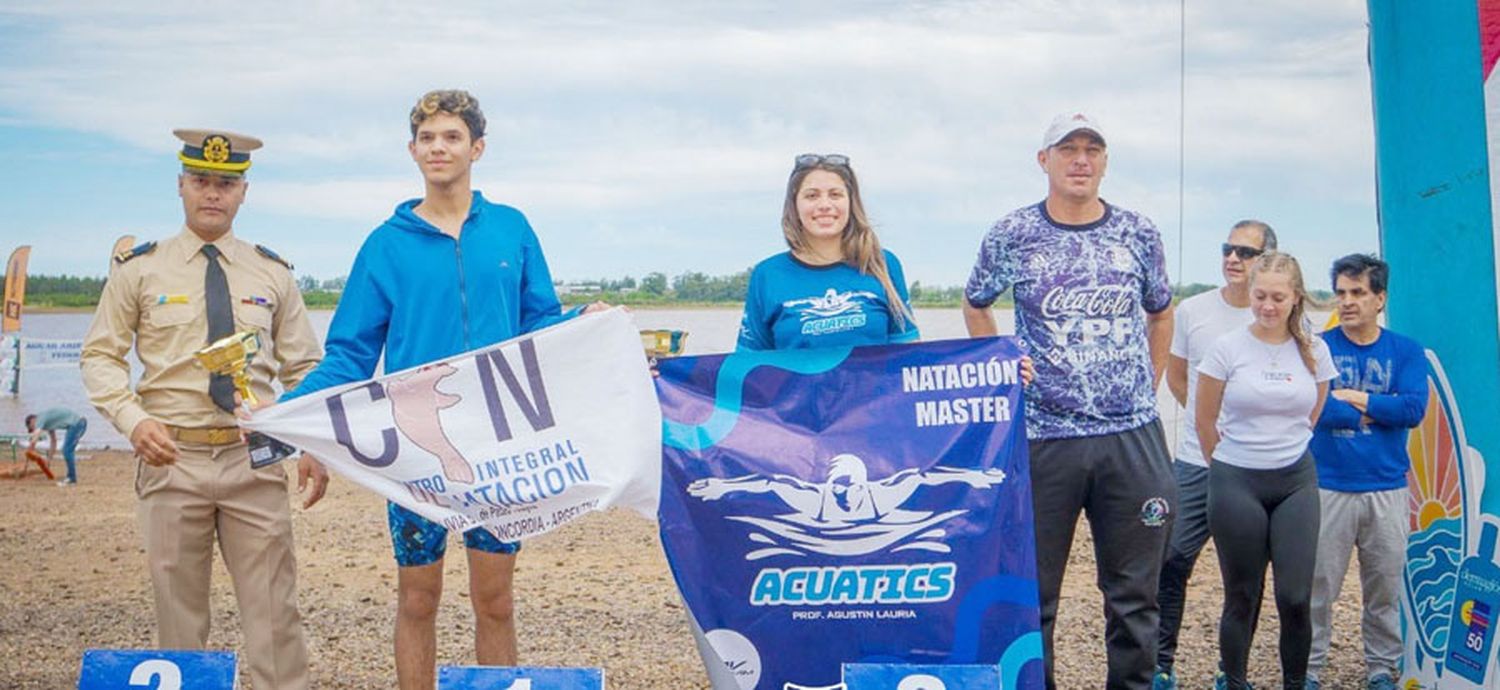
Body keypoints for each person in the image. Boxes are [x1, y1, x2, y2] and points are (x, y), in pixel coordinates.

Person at [283, 89, 605, 690]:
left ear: (476, 148)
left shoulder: (511, 229)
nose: (439, 147)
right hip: (415, 447)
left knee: (497, 599)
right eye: (428, 138)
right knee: (418, 599)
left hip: (500, 443)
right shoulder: (385, 244)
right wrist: (290, 416)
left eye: (452, 137)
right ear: (412, 150)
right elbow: (351, 352)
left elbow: (538, 324)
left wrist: (585, 319)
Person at [79, 128, 328, 689]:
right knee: (179, 620)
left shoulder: (272, 272)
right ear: (180, 186)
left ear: (244, 192)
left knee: (275, 618)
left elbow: (306, 367)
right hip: (171, 460)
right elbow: (99, 356)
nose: (211, 193)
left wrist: (307, 437)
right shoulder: (140, 269)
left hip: (253, 461)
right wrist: (131, 419)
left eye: (225, 183)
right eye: (200, 181)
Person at [963, 112, 1175, 690]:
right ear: (1045, 160)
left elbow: (1161, 312)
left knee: (1134, 595)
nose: (1081, 159)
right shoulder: (1013, 233)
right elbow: (976, 301)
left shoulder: (1138, 231)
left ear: (1105, 162)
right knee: (1034, 592)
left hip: (1130, 435)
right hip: (1044, 434)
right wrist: (1002, 363)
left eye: (1093, 149)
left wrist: (1146, 383)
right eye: (1068, 149)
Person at [1195, 251, 1336, 690]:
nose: (1268, 307)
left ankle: (1295, 682)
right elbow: (1204, 420)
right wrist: (1229, 464)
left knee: (1294, 596)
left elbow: (1313, 411)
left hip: (1294, 479)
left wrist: (1283, 448)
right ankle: (1234, 680)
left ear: (1296, 297)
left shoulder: (1313, 347)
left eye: (1278, 297)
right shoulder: (1227, 348)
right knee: (1242, 594)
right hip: (1237, 478)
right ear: (1250, 295)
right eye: (1260, 297)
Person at [1153, 220, 1276, 689]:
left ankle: (1233, 671)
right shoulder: (1194, 311)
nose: (1233, 259)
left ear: (1266, 260)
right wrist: (1210, 423)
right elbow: (1177, 377)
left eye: (1245, 252)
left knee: (1244, 575)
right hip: (1194, 462)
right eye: (1228, 249)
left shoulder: (1282, 316)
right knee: (1171, 560)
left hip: (1254, 466)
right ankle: (1161, 666)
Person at [1305, 254, 1426, 690]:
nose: (1348, 301)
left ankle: (1380, 668)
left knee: (1383, 588)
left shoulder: (1406, 351)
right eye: (1341, 293)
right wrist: (1372, 411)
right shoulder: (1318, 347)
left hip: (1387, 487)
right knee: (1318, 588)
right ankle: (1309, 668)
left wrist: (1356, 397)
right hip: (1328, 485)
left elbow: (1412, 409)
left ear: (1380, 298)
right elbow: (1313, 408)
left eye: (1358, 293)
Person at [737, 153, 920, 351]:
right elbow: (747, 367)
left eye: (835, 194)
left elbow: (909, 357)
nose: (824, 205)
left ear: (851, 202)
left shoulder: (882, 264)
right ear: (794, 205)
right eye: (812, 196)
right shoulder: (767, 275)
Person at [24, 407, 89, 486]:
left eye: (32, 428)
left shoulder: (40, 418)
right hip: (78, 423)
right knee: (67, 450)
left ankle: (72, 479)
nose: (33, 429)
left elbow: (37, 434)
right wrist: (49, 460)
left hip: (77, 424)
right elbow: (53, 441)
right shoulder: (47, 423)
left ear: (32, 421)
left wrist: (30, 448)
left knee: (67, 450)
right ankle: (71, 478)